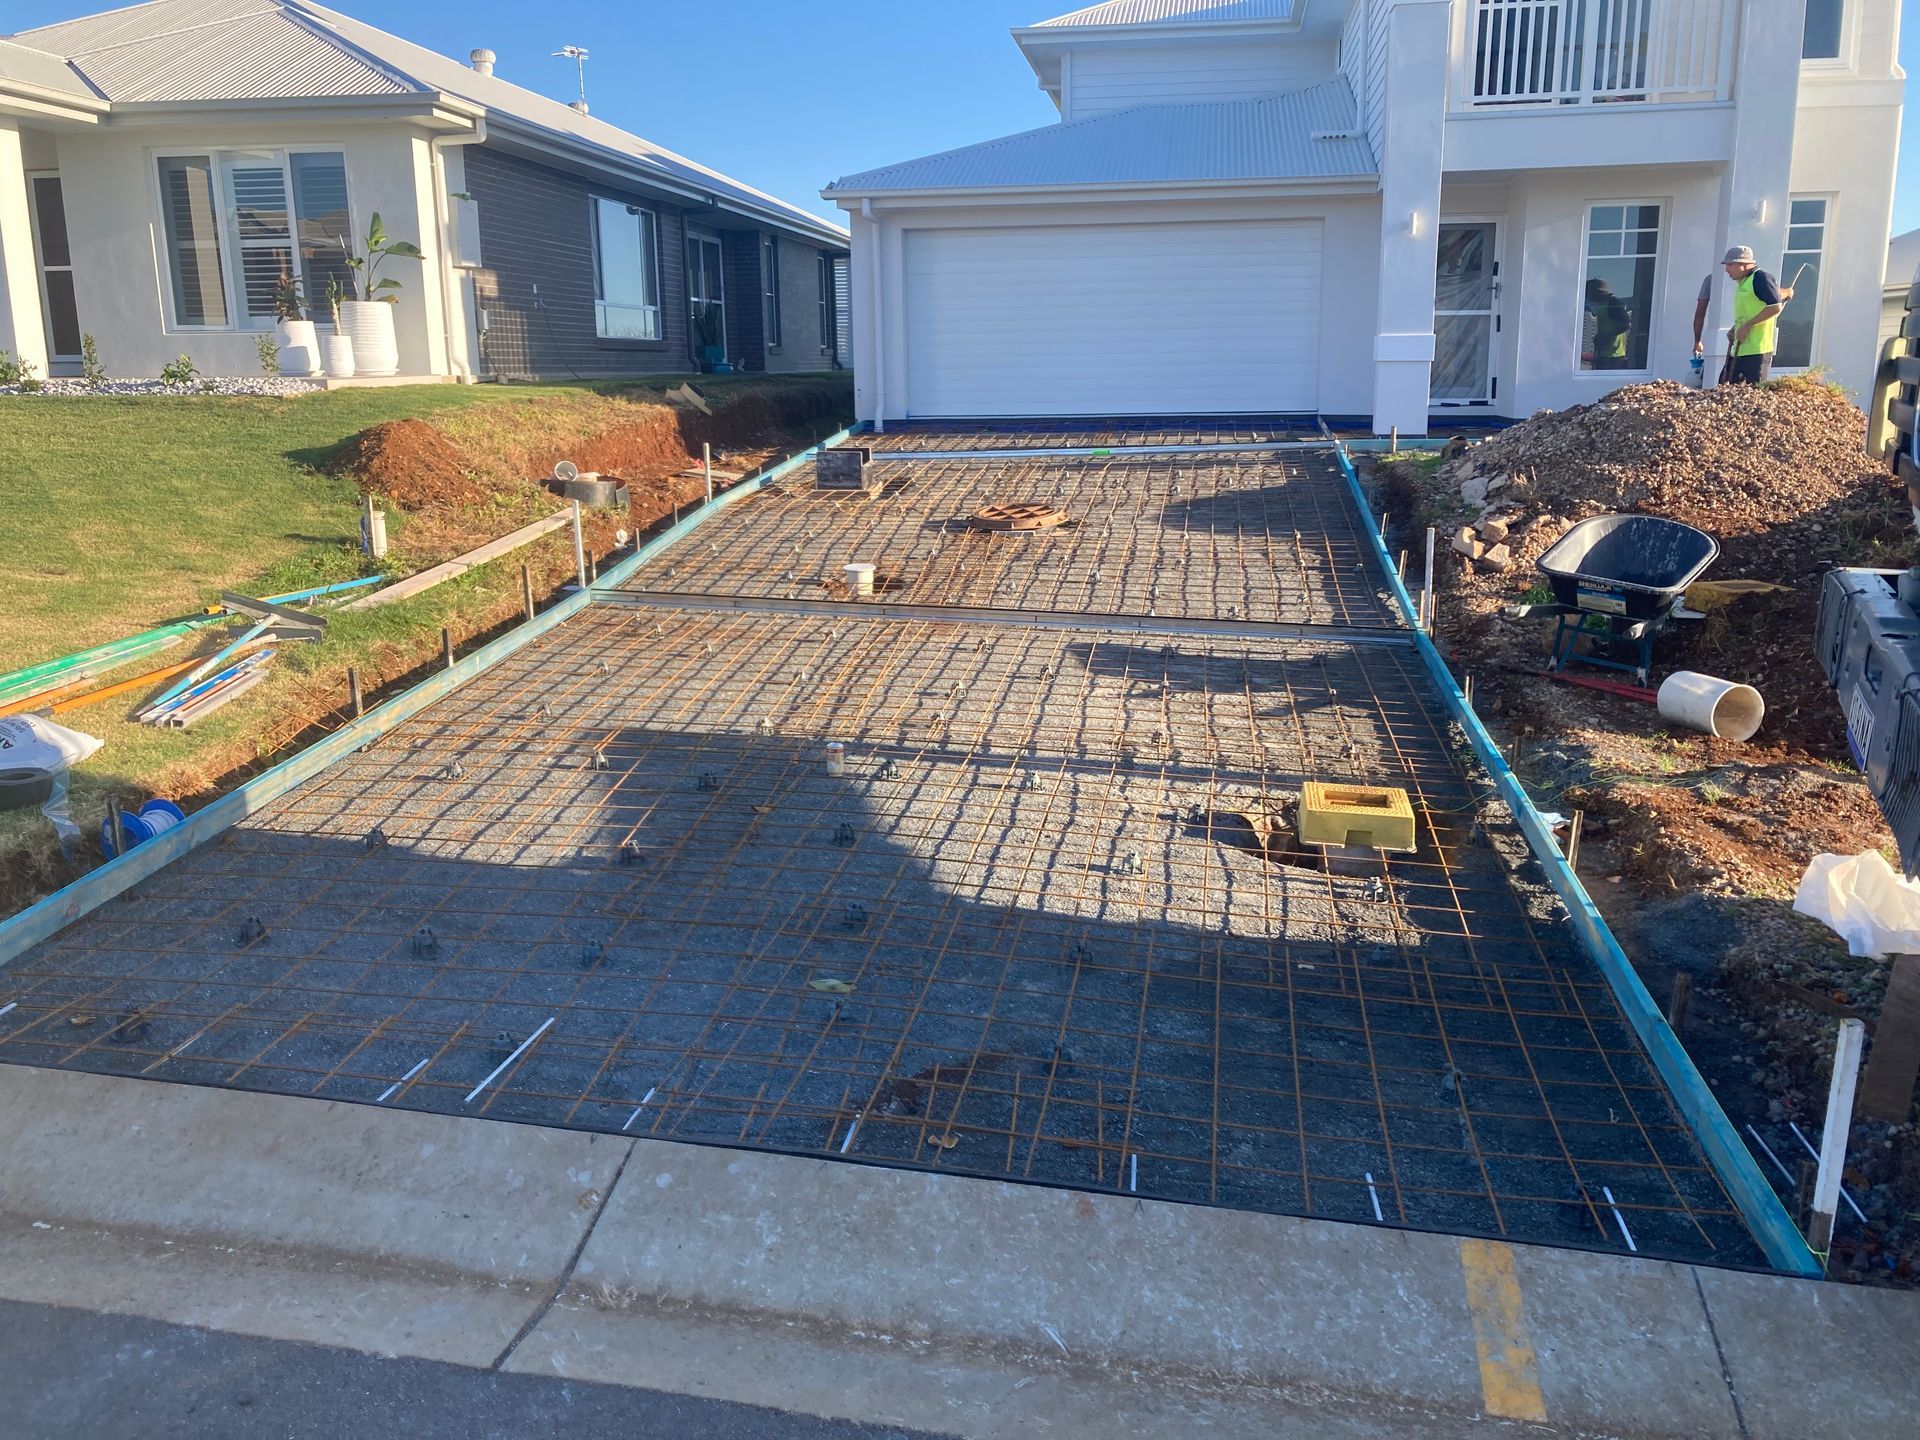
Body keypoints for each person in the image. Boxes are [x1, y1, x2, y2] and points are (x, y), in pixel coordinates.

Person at [1714, 245, 1787, 384]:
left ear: (1743, 264)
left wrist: (1747, 326)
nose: (1726, 269)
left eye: (1730, 264)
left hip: (1757, 350)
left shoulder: (1760, 277)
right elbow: (1751, 310)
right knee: (1727, 389)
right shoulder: (1744, 282)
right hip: (1740, 348)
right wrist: (1736, 328)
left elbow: (1775, 306)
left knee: (1753, 393)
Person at [1585, 277, 1632, 369]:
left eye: (1589, 293)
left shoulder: (1613, 304)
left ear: (1597, 293)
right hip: (1604, 354)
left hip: (1613, 357)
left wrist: (1605, 336)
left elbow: (1626, 324)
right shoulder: (1603, 304)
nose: (1588, 296)